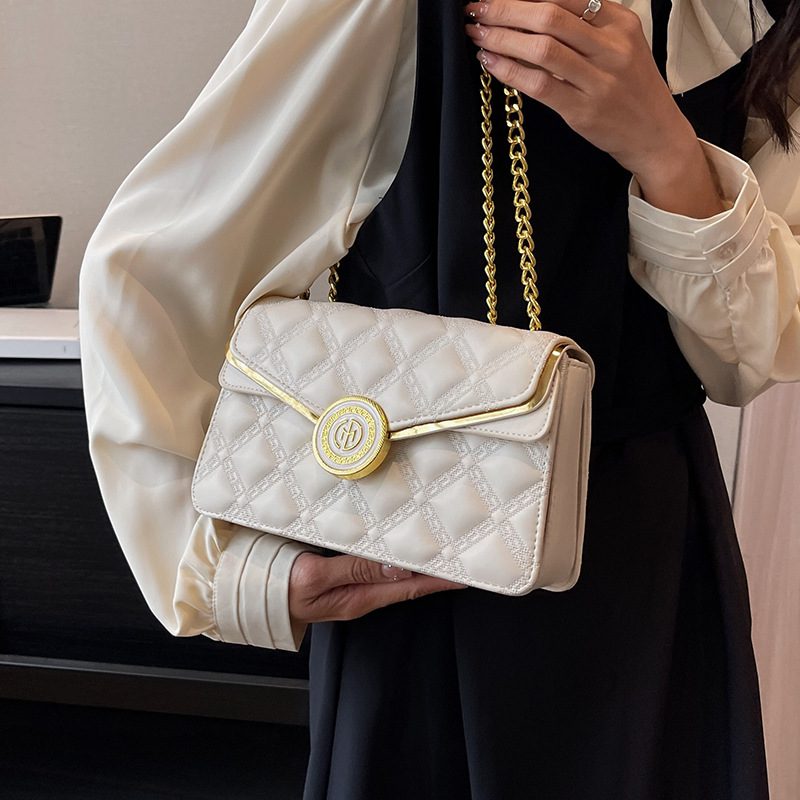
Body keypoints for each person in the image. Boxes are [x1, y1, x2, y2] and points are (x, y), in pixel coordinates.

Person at [78, 0, 800, 797]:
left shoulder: (766, 15)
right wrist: (230, 574)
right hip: (422, 553)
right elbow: (147, 268)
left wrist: (663, 149)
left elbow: (748, 358)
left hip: (653, 562)